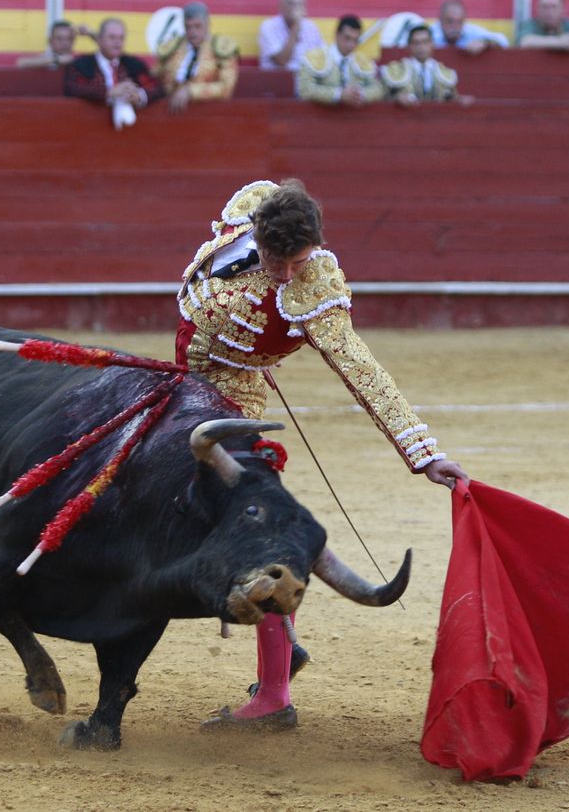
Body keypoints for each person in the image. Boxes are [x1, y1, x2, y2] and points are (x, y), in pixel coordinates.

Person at [178, 179, 467, 730]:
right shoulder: (249, 207)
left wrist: (423, 453)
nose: (288, 273)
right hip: (180, 387)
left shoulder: (313, 290)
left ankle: (274, 697)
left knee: (256, 538)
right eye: (276, 260)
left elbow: (362, 370)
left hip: (233, 401)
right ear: (257, 235)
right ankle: (286, 647)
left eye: (299, 260)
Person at [62, 17, 163, 130]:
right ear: (99, 39)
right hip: (89, 127)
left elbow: (157, 88)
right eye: (112, 37)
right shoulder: (81, 64)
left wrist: (139, 96)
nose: (117, 42)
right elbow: (73, 88)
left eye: (121, 38)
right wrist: (108, 92)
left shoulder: (134, 64)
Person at [156, 2, 239, 110]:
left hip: (209, 111)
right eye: (188, 27)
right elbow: (156, 75)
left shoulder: (221, 48)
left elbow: (226, 88)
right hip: (171, 110)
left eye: (198, 26)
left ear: (208, 24)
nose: (193, 32)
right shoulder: (174, 46)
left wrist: (190, 91)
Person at [297, 15, 384, 105]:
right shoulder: (315, 57)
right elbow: (305, 89)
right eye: (347, 38)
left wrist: (359, 95)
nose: (351, 45)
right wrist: (338, 95)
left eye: (355, 40)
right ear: (337, 35)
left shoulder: (363, 61)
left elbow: (378, 89)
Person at [382, 24, 470, 105]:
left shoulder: (445, 72)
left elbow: (452, 98)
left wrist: (459, 99)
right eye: (416, 43)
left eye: (425, 42)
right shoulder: (396, 71)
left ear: (432, 44)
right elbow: (383, 97)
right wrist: (396, 98)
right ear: (408, 46)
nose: (421, 47)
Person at [258, 0, 325, 71]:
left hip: (306, 76)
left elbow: (322, 57)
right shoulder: (268, 26)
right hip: (279, 76)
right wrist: (296, 26)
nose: (296, 8)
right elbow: (282, 61)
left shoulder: (311, 27)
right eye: (291, 3)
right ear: (281, 6)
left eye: (300, 4)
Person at [432, 0, 507, 53]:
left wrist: (485, 42)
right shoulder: (431, 34)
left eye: (459, 22)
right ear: (440, 20)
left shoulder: (470, 31)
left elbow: (503, 41)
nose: (455, 26)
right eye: (450, 21)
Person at [17, 19, 82, 69]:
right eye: (59, 39)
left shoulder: (79, 60)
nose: (65, 43)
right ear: (50, 41)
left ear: (74, 41)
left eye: (69, 38)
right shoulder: (45, 58)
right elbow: (21, 63)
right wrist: (58, 60)